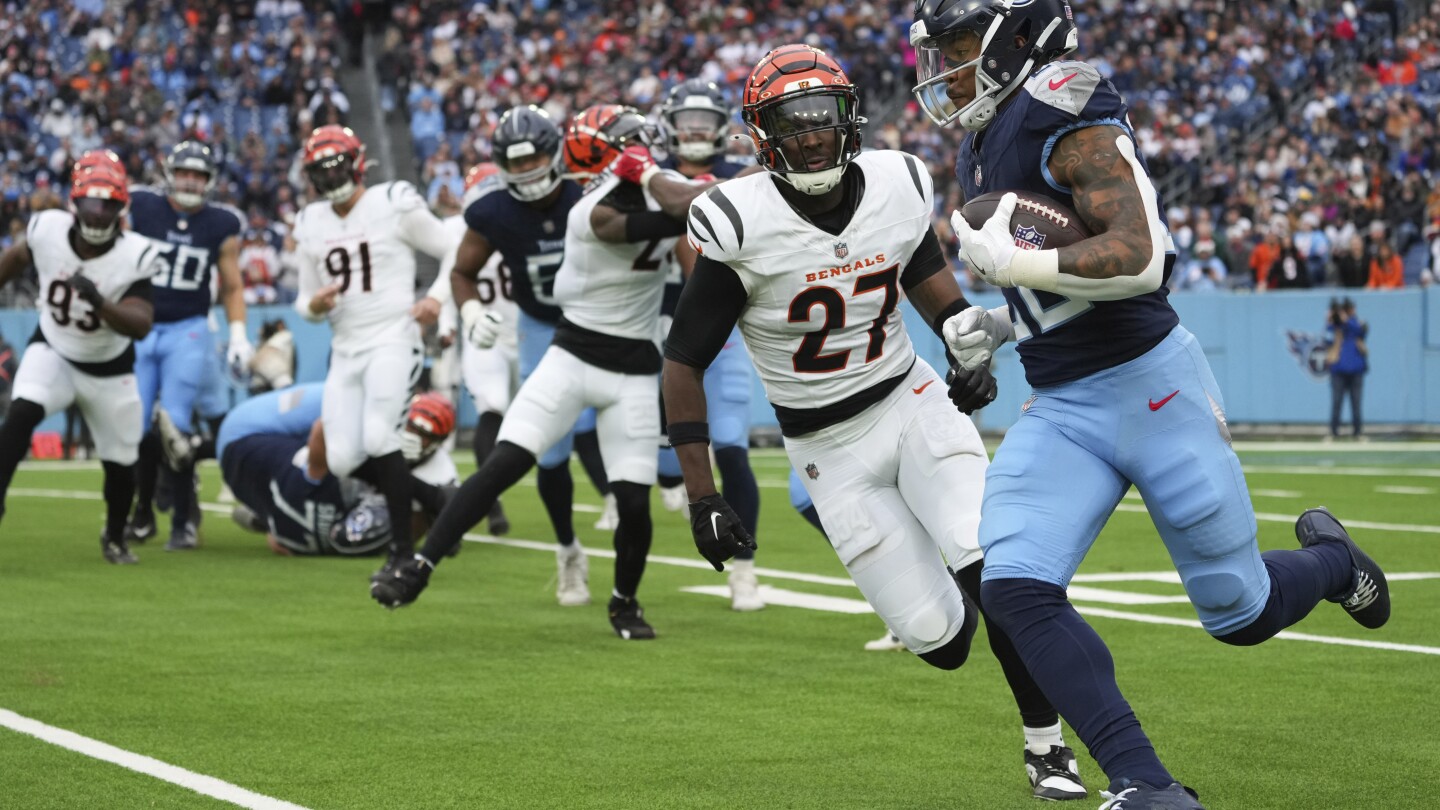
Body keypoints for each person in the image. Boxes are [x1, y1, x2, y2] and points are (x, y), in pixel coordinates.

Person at [910, 1, 1392, 807]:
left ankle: (1336, 563)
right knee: (1016, 588)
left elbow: (1140, 259)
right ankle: (1146, 783)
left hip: (1151, 387)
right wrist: (997, 325)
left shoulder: (1066, 102)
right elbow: (1058, 291)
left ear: (1018, 38)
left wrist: (1018, 270)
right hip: (1061, 400)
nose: (947, 68)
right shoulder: (981, 139)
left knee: (1240, 612)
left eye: (961, 47)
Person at [665, 45, 1085, 802]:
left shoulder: (897, 184)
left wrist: (964, 344)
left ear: (847, 119)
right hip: (827, 449)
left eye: (822, 121)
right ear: (764, 136)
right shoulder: (736, 221)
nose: (812, 138)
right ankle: (945, 581)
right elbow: (683, 361)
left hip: (910, 400)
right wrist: (702, 495)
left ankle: (1047, 746)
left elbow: (930, 284)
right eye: (792, 126)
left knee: (995, 573)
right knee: (941, 642)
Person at [371, 104, 711, 642]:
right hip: (571, 356)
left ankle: (624, 602)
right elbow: (678, 212)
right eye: (633, 145)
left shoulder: (649, 192)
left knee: (631, 501)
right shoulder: (591, 211)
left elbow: (687, 224)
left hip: (634, 368)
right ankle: (420, 564)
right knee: (504, 463)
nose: (646, 151)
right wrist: (714, 189)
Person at [424, 105, 613, 607]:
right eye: (516, 164)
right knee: (549, 451)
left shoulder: (588, 188)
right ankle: (568, 550)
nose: (527, 173)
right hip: (538, 327)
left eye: (535, 161)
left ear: (556, 154)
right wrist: (468, 314)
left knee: (624, 435)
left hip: (603, 320)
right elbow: (461, 273)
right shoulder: (491, 211)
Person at [291, 125, 456, 582]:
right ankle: (437, 499)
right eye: (321, 172)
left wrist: (438, 298)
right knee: (342, 458)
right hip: (345, 349)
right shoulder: (309, 222)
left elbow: (453, 247)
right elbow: (303, 303)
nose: (331, 178)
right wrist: (315, 306)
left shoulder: (393, 201)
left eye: (337, 166)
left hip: (393, 336)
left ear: (357, 161)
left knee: (380, 435)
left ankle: (402, 551)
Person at [0, 151, 161, 562]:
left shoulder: (136, 254)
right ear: (75, 202)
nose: (99, 213)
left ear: (122, 207)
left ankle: (114, 535)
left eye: (108, 204)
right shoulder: (46, 229)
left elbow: (141, 323)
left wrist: (101, 303)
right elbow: (15, 260)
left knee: (121, 462)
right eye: (91, 202)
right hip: (53, 347)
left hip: (109, 367)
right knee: (22, 412)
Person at [653, 77, 767, 611]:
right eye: (685, 121)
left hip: (722, 336)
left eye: (704, 120)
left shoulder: (740, 176)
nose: (695, 130)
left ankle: (745, 568)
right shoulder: (657, 178)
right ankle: (666, 478)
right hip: (657, 336)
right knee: (667, 458)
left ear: (722, 126)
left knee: (731, 448)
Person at [124, 140, 249, 551]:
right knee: (136, 426)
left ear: (210, 180)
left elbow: (231, 285)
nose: (190, 181)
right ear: (169, 173)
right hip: (142, 328)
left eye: (198, 175)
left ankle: (184, 517)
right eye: (185, 173)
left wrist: (238, 334)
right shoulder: (142, 206)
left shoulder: (221, 223)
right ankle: (142, 512)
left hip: (188, 330)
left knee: (174, 425)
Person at [218, 383, 458, 556]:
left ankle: (271, 522)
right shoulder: (362, 405)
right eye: (413, 429)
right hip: (246, 439)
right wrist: (428, 498)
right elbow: (322, 433)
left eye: (426, 436)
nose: (415, 439)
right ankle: (272, 523)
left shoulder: (365, 399)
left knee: (300, 534)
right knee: (325, 497)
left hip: (242, 449)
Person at [437, 161, 517, 537]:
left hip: (528, 331)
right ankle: (492, 502)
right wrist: (447, 323)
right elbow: (448, 277)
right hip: (483, 331)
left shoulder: (520, 214)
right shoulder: (456, 229)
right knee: (492, 409)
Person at [1325, 297, 1368, 439]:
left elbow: (1362, 331)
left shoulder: (1356, 323)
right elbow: (1327, 334)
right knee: (1336, 402)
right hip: (1338, 370)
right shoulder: (1336, 325)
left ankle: (1358, 431)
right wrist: (1331, 319)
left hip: (1356, 370)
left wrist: (1347, 320)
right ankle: (1333, 431)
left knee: (1356, 402)